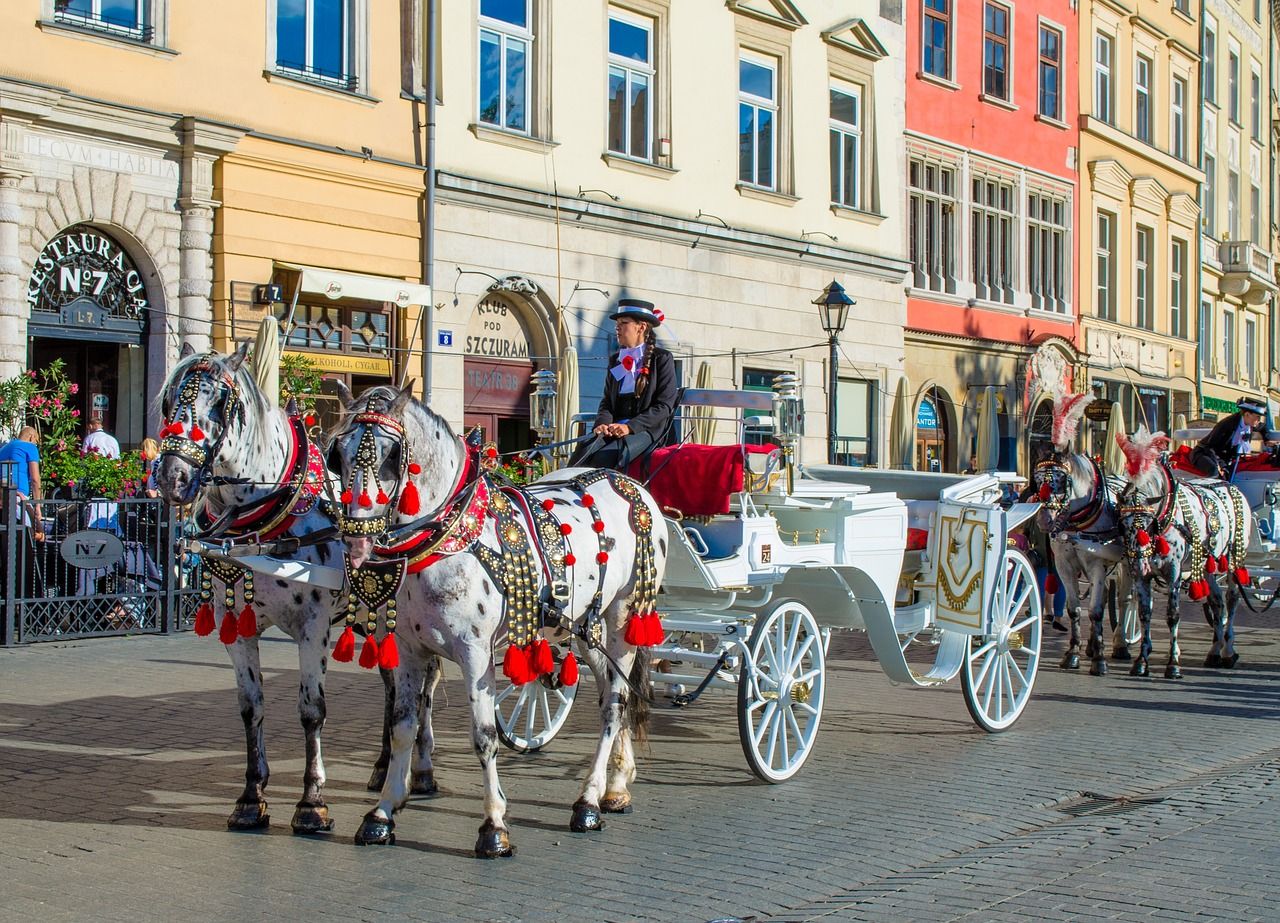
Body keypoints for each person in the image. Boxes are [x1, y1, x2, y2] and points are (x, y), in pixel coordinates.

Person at [571, 298, 677, 471]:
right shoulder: (616, 360)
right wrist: (602, 424)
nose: (617, 328)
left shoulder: (662, 358)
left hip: (647, 430)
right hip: (615, 427)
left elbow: (664, 406)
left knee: (605, 457)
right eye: (617, 324)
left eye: (624, 323)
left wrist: (629, 426)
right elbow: (607, 401)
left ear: (641, 327)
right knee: (583, 450)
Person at [1190, 396, 1278, 477]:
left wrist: (1266, 440)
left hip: (1223, 457)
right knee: (1215, 472)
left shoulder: (1251, 423)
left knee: (1228, 472)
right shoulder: (1227, 425)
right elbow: (1210, 447)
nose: (1259, 420)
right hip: (1204, 453)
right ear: (1247, 414)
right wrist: (1218, 465)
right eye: (1258, 417)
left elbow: (1263, 427)